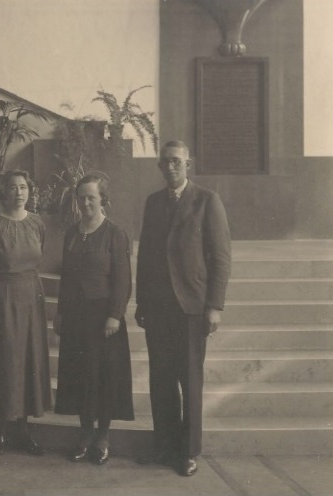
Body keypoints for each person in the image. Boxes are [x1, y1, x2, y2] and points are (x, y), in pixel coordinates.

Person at [134, 140, 231, 476]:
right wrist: (142, 302)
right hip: (158, 308)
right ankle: (164, 446)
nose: (170, 167)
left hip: (191, 306)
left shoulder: (207, 201)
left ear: (189, 164)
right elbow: (146, 256)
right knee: (160, 379)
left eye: (176, 161)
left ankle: (188, 452)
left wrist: (214, 306)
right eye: (165, 162)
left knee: (189, 380)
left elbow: (220, 258)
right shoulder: (153, 202)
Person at [53, 173, 134, 466]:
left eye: (92, 197)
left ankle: (102, 438)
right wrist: (60, 313)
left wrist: (115, 315)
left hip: (104, 318)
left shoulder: (115, 233)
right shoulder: (73, 233)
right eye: (82, 197)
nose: (86, 202)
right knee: (79, 376)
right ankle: (85, 435)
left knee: (103, 377)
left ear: (103, 200)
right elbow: (65, 279)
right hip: (75, 317)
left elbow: (123, 281)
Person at [0, 170, 53, 456]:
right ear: (3, 193)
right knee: (4, 365)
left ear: (29, 191)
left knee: (29, 363)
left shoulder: (36, 223)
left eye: (23, 187)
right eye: (12, 187)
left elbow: (36, 259)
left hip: (32, 298)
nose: (18, 192)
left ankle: (22, 430)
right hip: (2, 300)